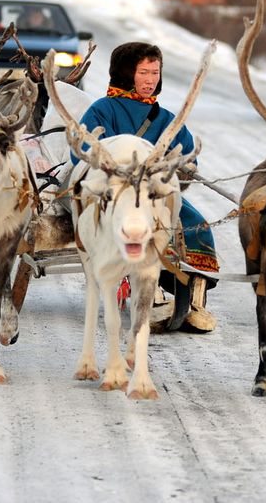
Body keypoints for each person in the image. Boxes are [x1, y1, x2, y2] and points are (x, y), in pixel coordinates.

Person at [73, 42, 219, 334]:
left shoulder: (164, 117)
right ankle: (150, 293)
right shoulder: (102, 109)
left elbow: (186, 152)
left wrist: (183, 166)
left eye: (155, 72)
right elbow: (82, 149)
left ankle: (195, 302)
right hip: (117, 194)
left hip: (153, 192)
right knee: (138, 227)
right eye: (143, 72)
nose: (150, 80)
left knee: (194, 222)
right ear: (126, 73)